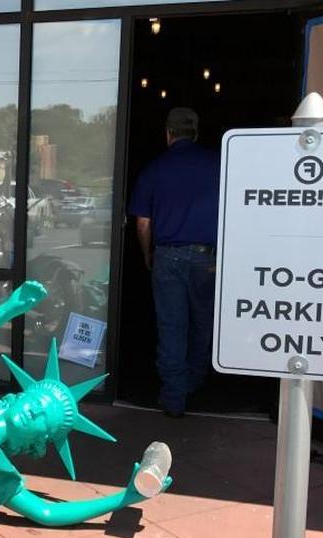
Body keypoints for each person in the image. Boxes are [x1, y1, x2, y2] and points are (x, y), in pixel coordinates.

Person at [129, 107, 221, 418]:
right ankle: (194, 382)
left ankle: (173, 397)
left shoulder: (155, 169)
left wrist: (147, 253)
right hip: (209, 258)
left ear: (168, 133)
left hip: (167, 256)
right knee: (203, 324)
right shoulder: (218, 165)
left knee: (171, 326)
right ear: (195, 132)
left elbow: (143, 222)